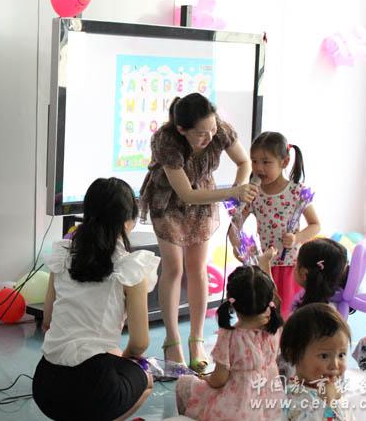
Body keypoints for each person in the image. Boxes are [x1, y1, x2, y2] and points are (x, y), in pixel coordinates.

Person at [138, 92, 257, 371]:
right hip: (169, 201)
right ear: (182, 129)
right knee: (173, 268)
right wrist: (231, 192)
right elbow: (186, 194)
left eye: (212, 129)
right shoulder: (167, 141)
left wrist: (238, 190)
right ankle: (172, 340)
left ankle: (197, 339)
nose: (210, 137)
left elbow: (245, 162)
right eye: (202, 133)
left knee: (197, 268)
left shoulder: (219, 129)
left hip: (204, 197)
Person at [32, 177, 160, 421]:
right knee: (146, 379)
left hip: (46, 387)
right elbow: (139, 343)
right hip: (96, 389)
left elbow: (47, 321)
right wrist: (119, 360)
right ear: (128, 220)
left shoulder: (63, 256)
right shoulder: (131, 268)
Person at [175, 249, 284, 420]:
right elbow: (273, 295)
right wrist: (265, 263)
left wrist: (206, 378)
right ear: (269, 301)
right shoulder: (275, 328)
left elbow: (219, 379)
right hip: (271, 407)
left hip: (237, 410)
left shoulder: (229, 336)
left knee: (184, 383)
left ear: (231, 301)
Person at [230, 131, 320, 319]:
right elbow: (235, 226)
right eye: (254, 161)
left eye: (266, 162)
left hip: (290, 266)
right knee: (266, 313)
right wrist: (239, 247)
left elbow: (315, 225)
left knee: (287, 314)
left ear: (284, 162)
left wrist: (296, 238)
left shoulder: (296, 191)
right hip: (264, 265)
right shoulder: (254, 193)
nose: (258, 167)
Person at [280, 303, 353, 420]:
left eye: (341, 355)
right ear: (293, 354)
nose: (334, 365)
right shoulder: (296, 400)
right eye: (324, 356)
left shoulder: (329, 388)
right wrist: (330, 403)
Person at [291, 238, 348, 312]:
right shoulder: (329, 303)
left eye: (296, 262)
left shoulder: (309, 313)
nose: (294, 265)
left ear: (304, 273)